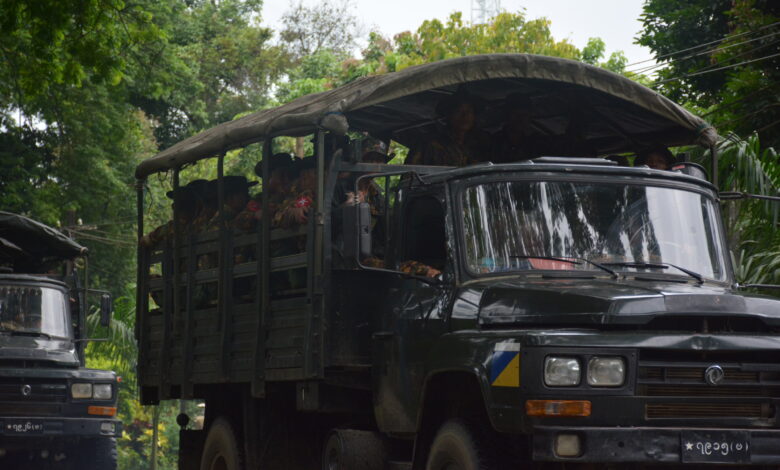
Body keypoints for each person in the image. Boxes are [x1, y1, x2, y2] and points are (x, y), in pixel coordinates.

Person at [406, 88, 490, 166]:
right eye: (458, 111)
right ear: (448, 115)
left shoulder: (481, 144)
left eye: (469, 111)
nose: (465, 116)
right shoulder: (429, 143)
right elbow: (409, 176)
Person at [490, 93, 543, 163]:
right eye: (515, 114)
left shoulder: (537, 141)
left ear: (529, 117)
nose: (520, 119)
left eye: (524, 115)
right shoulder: (494, 141)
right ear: (507, 115)